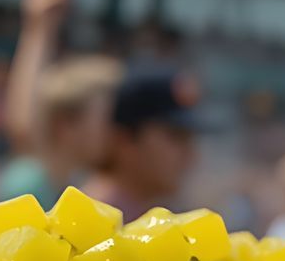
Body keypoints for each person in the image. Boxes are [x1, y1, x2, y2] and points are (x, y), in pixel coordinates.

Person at [0, 0, 119, 206]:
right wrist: (39, 29)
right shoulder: (29, 184)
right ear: (66, 126)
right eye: (108, 117)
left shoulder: (76, 179)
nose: (115, 128)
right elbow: (23, 124)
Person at [84, 70, 199, 219]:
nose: (190, 154)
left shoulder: (137, 214)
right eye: (176, 136)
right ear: (124, 139)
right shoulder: (89, 223)